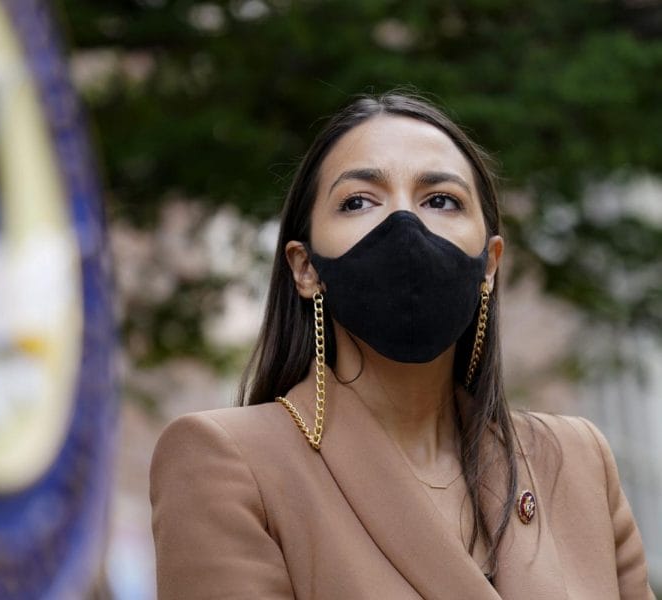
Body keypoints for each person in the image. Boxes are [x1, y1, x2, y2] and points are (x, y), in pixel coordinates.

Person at [149, 92, 654, 599]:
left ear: (490, 263)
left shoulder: (575, 460)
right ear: (305, 267)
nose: (404, 226)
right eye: (358, 201)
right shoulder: (227, 461)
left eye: (441, 200)